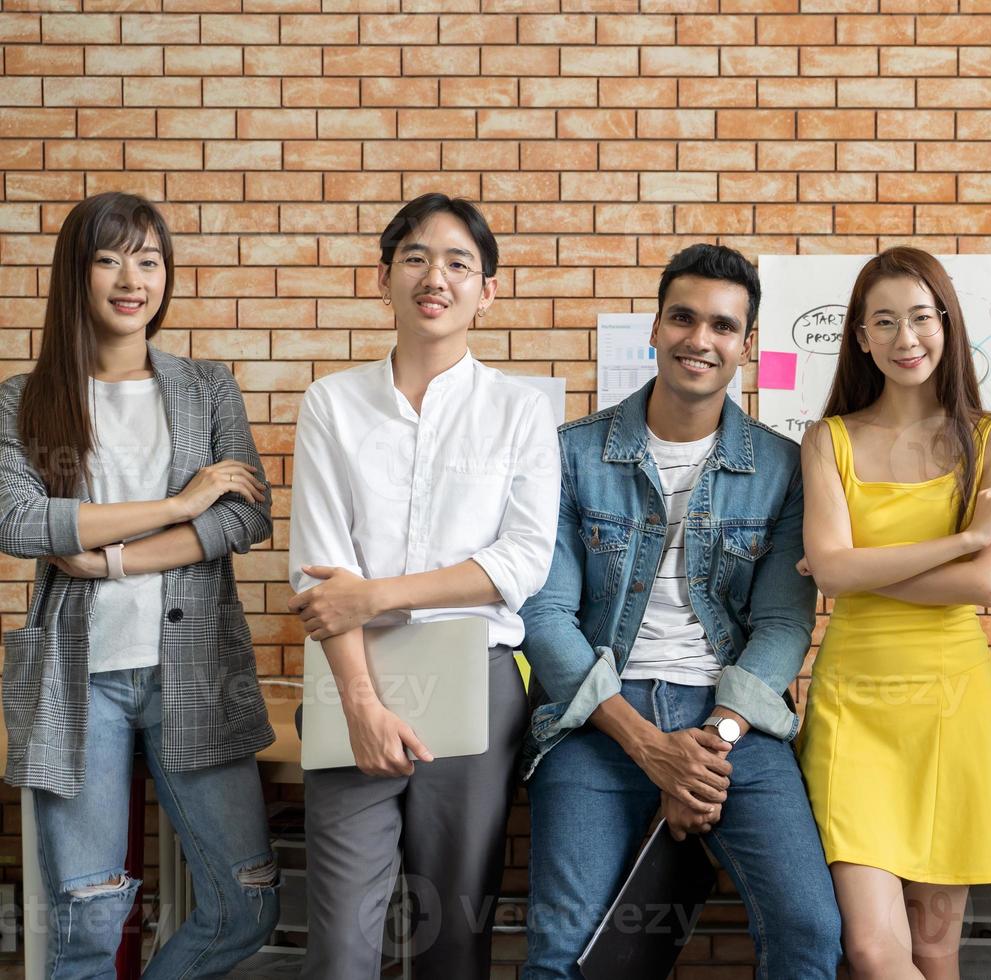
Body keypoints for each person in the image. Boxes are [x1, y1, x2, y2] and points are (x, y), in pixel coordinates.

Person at [519, 243, 842, 979]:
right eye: (684, 319)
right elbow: (545, 618)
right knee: (560, 954)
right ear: (657, 329)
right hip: (595, 716)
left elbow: (785, 624)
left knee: (810, 930)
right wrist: (647, 746)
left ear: (745, 346)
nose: (701, 340)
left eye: (723, 327)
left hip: (734, 720)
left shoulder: (782, 467)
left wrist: (709, 746)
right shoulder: (571, 454)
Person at [0, 191, 278, 977]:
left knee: (248, 903)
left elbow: (247, 518)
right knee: (87, 922)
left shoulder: (205, 387)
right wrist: (179, 504)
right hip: (76, 682)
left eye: (150, 260)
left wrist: (112, 555)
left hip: (196, 673)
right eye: (111, 258)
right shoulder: (24, 401)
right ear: (75, 275)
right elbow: (19, 522)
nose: (134, 278)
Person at [287, 193, 558, 977]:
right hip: (352, 676)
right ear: (384, 279)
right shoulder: (332, 404)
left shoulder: (520, 411)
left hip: (476, 681)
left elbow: (520, 564)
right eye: (414, 258)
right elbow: (319, 568)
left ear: (488, 290)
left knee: (453, 942)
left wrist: (377, 594)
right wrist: (364, 707)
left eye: (457, 263)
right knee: (340, 950)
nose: (434, 276)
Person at [797, 246, 991, 979]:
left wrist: (853, 571)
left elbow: (981, 587)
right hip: (852, 707)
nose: (906, 339)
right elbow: (835, 572)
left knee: (937, 949)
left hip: (951, 706)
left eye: (921, 318)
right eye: (885, 322)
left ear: (947, 323)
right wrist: (967, 536)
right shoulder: (829, 440)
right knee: (874, 950)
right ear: (860, 337)